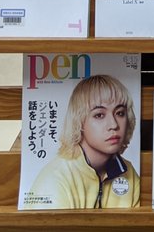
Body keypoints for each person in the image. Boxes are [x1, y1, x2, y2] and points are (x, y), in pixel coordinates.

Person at [28, 74, 139, 209]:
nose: (114, 124)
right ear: (79, 122)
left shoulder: (128, 172)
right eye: (99, 115)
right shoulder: (56, 179)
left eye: (120, 113)